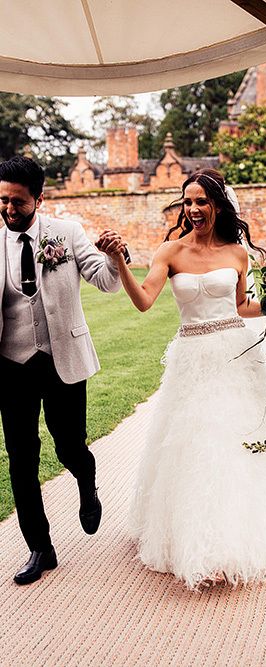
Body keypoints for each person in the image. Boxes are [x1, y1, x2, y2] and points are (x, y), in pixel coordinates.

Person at [102, 169, 266, 589]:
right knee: (195, 445)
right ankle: (195, 538)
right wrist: (119, 261)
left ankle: (233, 537)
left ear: (217, 205)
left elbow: (242, 306)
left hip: (235, 355)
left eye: (201, 201)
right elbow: (144, 301)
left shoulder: (237, 253)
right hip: (191, 361)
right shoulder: (169, 251)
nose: (193, 210)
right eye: (187, 202)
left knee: (234, 442)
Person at [0, 156, 122, 585]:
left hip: (61, 361)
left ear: (39, 197)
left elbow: (106, 280)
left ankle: (86, 482)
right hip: (10, 366)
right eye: (3, 201)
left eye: (17, 201)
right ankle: (40, 547)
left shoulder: (66, 233)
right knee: (21, 458)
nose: (9, 210)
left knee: (69, 446)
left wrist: (114, 257)